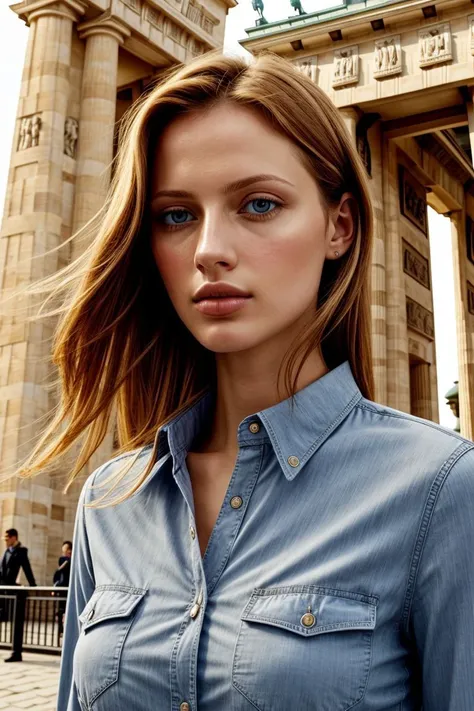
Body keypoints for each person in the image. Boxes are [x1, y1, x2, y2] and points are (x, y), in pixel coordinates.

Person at [12, 53, 474, 709]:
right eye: (176, 214)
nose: (208, 249)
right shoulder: (109, 502)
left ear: (339, 225)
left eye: (259, 204)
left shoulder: (442, 492)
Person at [1, 529, 36, 663]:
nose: (5, 541)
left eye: (7, 539)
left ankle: (16, 653)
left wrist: (33, 586)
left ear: (14, 538)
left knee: (16, 623)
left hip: (12, 593)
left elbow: (27, 569)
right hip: (3, 591)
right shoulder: (6, 552)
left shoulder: (21, 551)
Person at [53, 541, 72, 637]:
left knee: (66, 610)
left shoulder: (72, 560)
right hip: (62, 589)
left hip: (69, 589)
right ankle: (61, 629)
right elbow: (58, 573)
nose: (63, 552)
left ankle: (65, 629)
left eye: (65, 550)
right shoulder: (64, 560)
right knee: (61, 610)